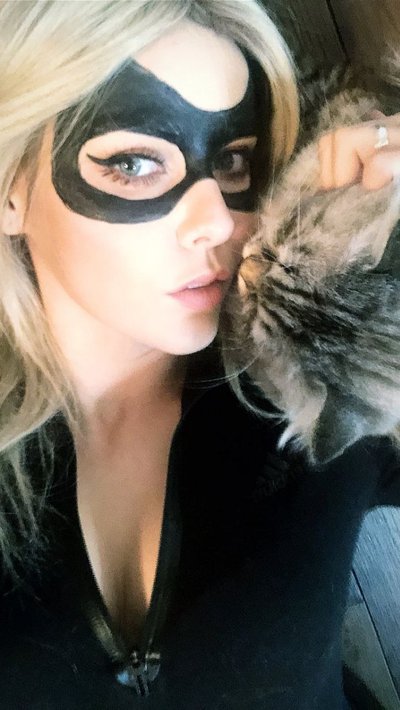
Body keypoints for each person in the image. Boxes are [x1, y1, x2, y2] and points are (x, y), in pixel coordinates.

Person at [0, 1, 399, 708]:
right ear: (11, 189)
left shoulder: (317, 378)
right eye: (135, 162)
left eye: (233, 160)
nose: (218, 221)